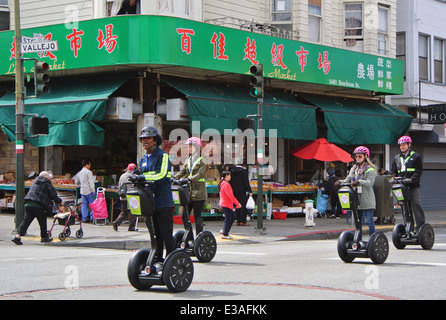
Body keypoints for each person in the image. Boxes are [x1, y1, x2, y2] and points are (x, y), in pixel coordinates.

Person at [133, 126, 174, 261]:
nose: (145, 141)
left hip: (163, 201)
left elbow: (161, 175)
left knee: (165, 233)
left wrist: (143, 178)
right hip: (150, 202)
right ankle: (157, 257)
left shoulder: (163, 156)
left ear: (155, 140)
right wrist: (136, 176)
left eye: (148, 138)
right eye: (143, 139)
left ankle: (171, 258)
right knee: (155, 233)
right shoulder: (143, 159)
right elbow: (143, 176)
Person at [11, 171, 64, 245]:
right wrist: (60, 202)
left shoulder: (35, 182)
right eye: (49, 177)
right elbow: (53, 194)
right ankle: (44, 237)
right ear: (46, 177)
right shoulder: (46, 182)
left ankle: (17, 237)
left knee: (26, 221)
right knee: (42, 220)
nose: (50, 179)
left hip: (28, 203)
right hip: (38, 205)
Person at [337, 146, 376, 238]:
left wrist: (359, 182)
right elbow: (348, 179)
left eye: (360, 156)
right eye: (356, 156)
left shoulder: (370, 169)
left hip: (367, 200)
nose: (357, 158)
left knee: (370, 222)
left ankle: (373, 240)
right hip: (356, 199)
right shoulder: (354, 169)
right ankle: (358, 240)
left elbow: (369, 183)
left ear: (365, 157)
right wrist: (340, 182)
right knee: (358, 222)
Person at [390, 135, 425, 230]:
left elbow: (418, 171)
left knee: (416, 205)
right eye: (401, 145)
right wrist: (393, 178)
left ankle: (420, 227)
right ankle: (408, 227)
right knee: (404, 207)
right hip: (402, 186)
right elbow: (393, 171)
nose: (402, 147)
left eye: (404, 145)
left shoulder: (416, 156)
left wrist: (412, 179)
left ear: (409, 145)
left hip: (413, 186)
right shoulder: (397, 158)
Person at [174, 137, 207, 235]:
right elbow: (182, 171)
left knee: (197, 217)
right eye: (188, 147)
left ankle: (199, 236)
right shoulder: (188, 160)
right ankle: (189, 234)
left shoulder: (203, 160)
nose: (189, 148)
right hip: (189, 192)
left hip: (199, 192)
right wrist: (174, 177)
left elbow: (200, 174)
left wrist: (189, 179)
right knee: (184, 215)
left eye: (191, 146)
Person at [113, 163, 138, 232]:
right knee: (134, 212)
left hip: (123, 196)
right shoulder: (134, 176)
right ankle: (131, 227)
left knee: (124, 211)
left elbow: (119, 186)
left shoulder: (122, 176)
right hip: (132, 196)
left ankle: (116, 222)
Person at [218, 171, 241, 240]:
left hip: (224, 203)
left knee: (231, 217)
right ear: (226, 176)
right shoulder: (226, 184)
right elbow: (230, 196)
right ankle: (225, 233)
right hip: (227, 204)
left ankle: (224, 230)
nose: (230, 177)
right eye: (229, 175)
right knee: (229, 218)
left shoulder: (222, 183)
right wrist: (237, 203)